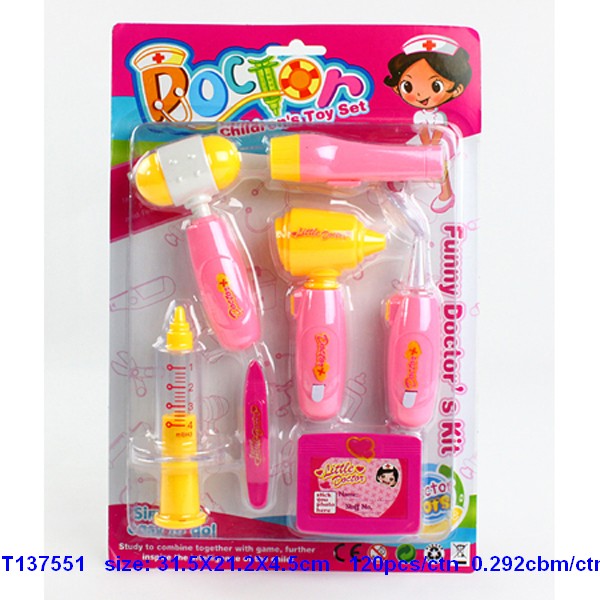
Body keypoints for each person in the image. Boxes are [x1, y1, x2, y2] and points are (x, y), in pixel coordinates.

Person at [384, 35, 472, 213]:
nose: (420, 95)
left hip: (438, 146)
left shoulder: (440, 117)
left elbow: (438, 131)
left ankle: (445, 193)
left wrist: (432, 148)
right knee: (404, 157)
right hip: (424, 146)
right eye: (408, 86)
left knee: (441, 166)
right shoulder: (418, 116)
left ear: (457, 89)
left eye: (435, 86)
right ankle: (400, 177)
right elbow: (423, 132)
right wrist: (426, 149)